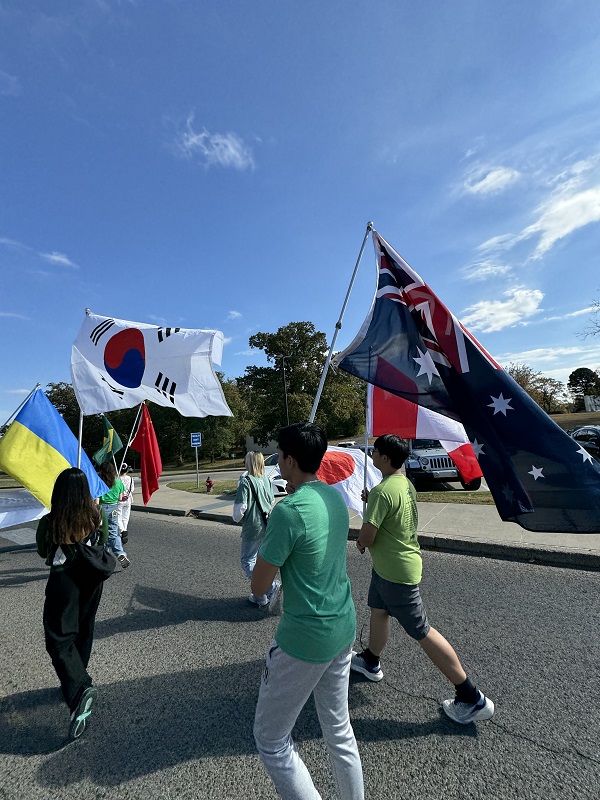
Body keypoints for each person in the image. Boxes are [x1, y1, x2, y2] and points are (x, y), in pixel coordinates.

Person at [251, 422, 364, 800]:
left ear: (290, 460)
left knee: (270, 740)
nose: (277, 462)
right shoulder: (333, 497)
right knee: (338, 728)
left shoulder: (289, 511)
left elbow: (259, 585)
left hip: (304, 637)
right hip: (342, 625)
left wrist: (274, 535)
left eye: (279, 456)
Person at [351, 434, 494, 725]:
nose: (372, 455)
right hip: (390, 567)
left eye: (375, 452)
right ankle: (370, 660)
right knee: (379, 611)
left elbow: (368, 534)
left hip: (395, 572)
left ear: (386, 459)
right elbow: (392, 512)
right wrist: (373, 499)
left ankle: (470, 696)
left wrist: (361, 542)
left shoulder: (382, 491)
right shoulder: (404, 484)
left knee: (422, 630)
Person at [36, 468, 109, 740]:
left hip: (63, 581)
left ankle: (78, 688)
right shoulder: (96, 516)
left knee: (57, 636)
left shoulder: (51, 520)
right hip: (91, 579)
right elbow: (102, 540)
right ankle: (75, 679)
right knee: (83, 628)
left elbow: (43, 550)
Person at [232, 451, 279, 609]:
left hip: (253, 527)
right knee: (260, 560)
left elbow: (240, 510)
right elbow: (271, 500)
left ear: (249, 463)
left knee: (247, 562)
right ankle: (260, 596)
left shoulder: (246, 482)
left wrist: (237, 518)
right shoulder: (266, 479)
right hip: (267, 525)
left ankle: (271, 586)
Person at [98, 461, 130, 569]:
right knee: (113, 532)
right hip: (114, 508)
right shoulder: (118, 482)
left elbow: (96, 500)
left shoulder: (99, 482)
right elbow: (120, 498)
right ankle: (120, 553)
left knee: (101, 533)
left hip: (101, 508)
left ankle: (104, 556)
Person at [117, 463, 134, 545]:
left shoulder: (118, 479)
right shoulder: (130, 479)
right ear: (127, 470)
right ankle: (124, 529)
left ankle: (122, 530)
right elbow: (132, 489)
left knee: (119, 517)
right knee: (126, 516)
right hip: (128, 499)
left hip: (120, 500)